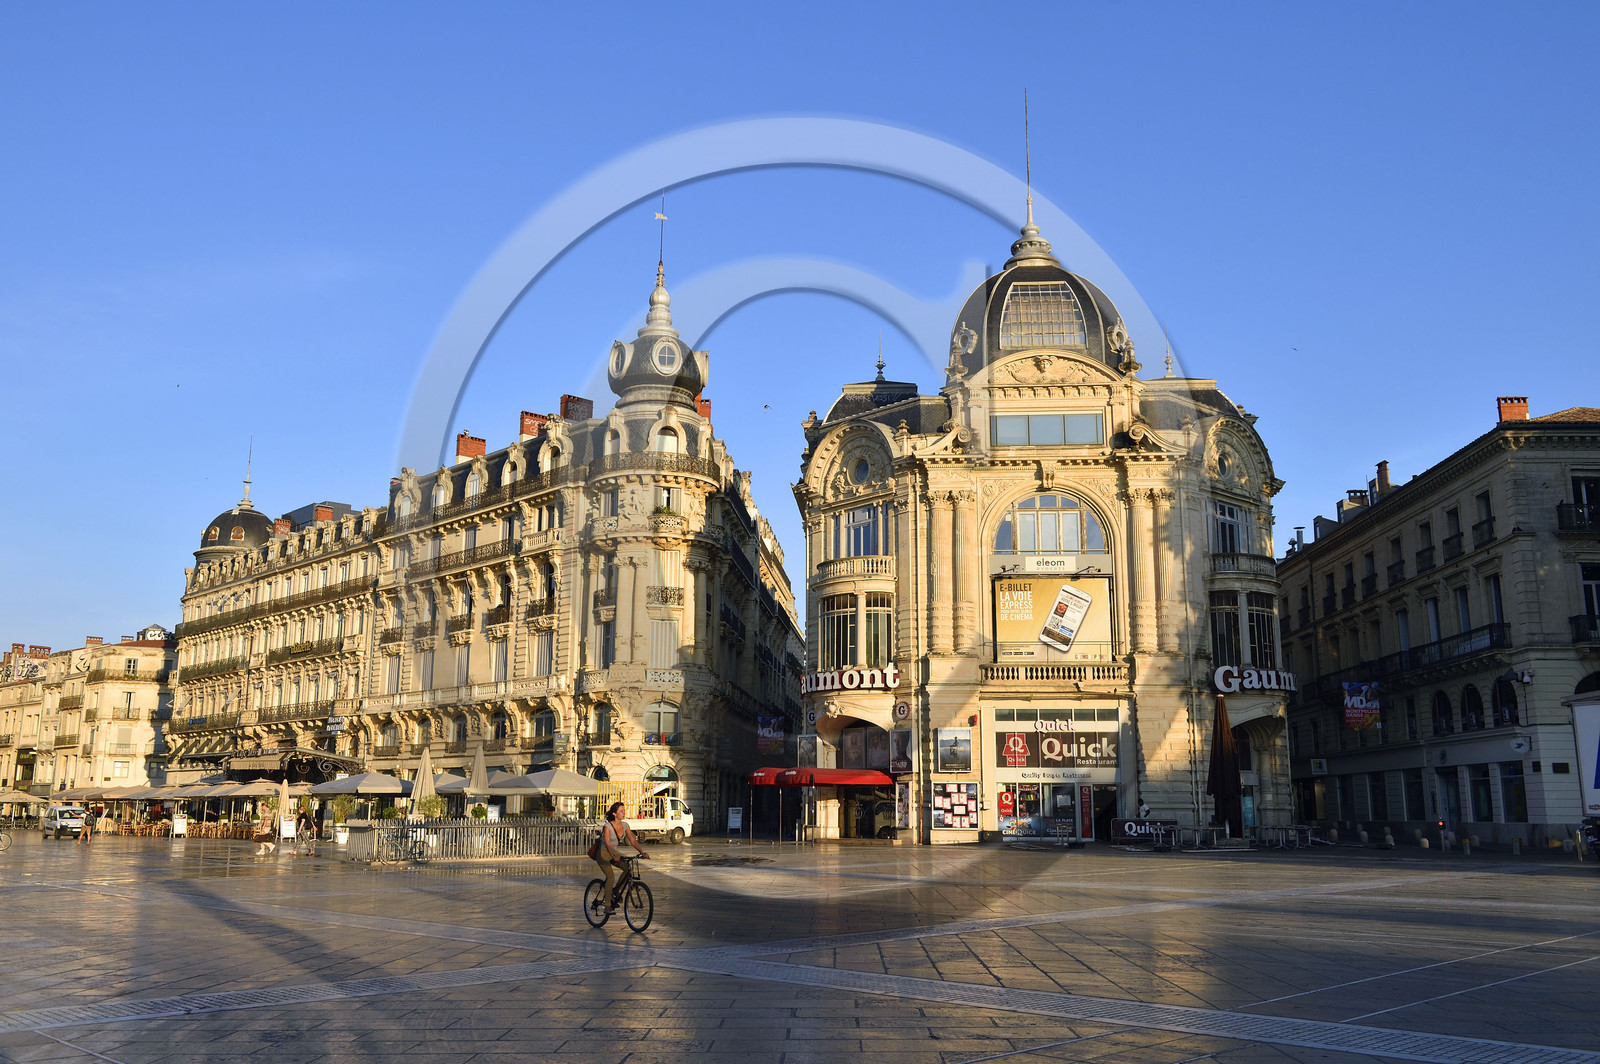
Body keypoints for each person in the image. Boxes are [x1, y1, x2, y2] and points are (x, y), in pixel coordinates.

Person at [595, 801, 649, 913]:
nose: (624, 813)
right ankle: (607, 906)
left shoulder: (625, 826)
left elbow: (633, 840)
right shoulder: (608, 827)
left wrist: (642, 853)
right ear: (614, 814)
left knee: (628, 869)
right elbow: (608, 844)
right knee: (610, 876)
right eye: (621, 811)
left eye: (624, 811)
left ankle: (616, 890)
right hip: (603, 853)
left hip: (614, 852)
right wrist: (613, 857)